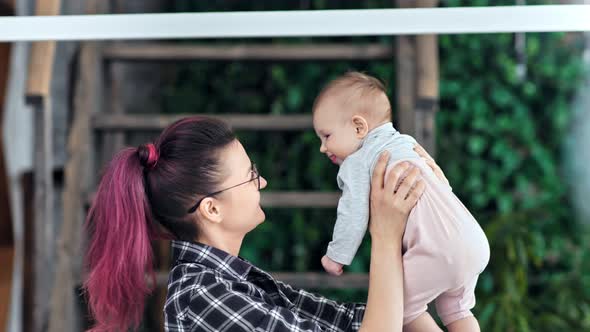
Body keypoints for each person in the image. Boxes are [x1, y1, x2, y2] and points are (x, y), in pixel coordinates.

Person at [83, 116, 444, 332]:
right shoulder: (203, 298)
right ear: (211, 209)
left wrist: (420, 214)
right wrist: (384, 234)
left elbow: (364, 321)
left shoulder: (232, 282)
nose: (262, 182)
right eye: (250, 175)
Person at [313, 72, 490, 332]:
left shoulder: (359, 161)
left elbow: (353, 213)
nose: (322, 148)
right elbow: (438, 184)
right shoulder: (407, 143)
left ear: (359, 127)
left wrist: (336, 256)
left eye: (326, 136)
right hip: (473, 240)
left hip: (439, 251)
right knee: (458, 310)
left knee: (396, 309)